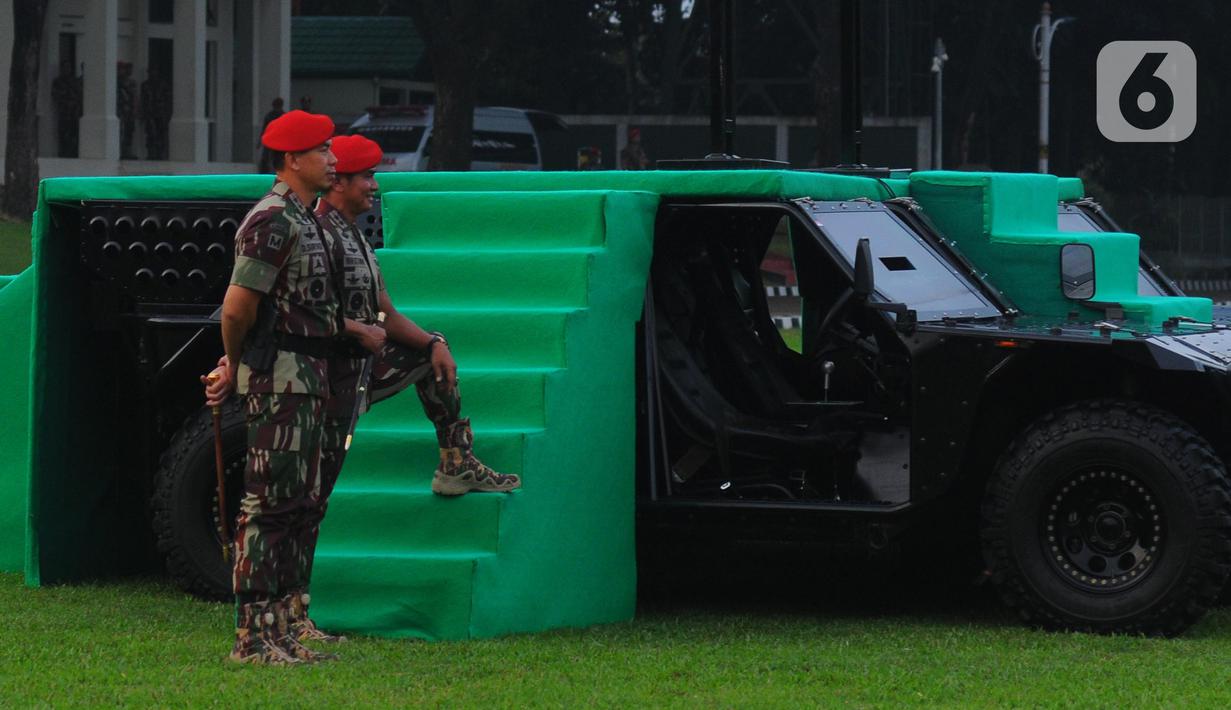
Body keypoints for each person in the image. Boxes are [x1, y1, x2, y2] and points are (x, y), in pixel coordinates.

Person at [283, 134, 522, 644]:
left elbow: (385, 312)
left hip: (356, 373)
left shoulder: (354, 236)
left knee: (431, 357)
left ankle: (456, 462)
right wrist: (356, 331)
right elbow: (298, 313)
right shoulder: (316, 235)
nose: (375, 186)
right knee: (307, 501)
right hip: (322, 382)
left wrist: (435, 342)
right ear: (338, 182)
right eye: (366, 177)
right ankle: (291, 613)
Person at [203, 109, 340, 665]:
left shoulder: (304, 218)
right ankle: (253, 637)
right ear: (292, 159)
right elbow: (238, 309)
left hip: (306, 378)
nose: (332, 159)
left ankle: (280, 628)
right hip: (280, 379)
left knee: (296, 505)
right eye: (322, 150)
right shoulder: (273, 219)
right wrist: (237, 367)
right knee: (268, 508)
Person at [257, 98, 285, 172]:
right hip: (270, 140)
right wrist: (260, 141)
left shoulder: (283, 116)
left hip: (280, 141)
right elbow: (264, 129)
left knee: (279, 158)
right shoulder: (269, 115)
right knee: (266, 158)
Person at [117, 62, 137, 159]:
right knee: (120, 131)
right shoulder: (116, 82)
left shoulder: (130, 82)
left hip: (129, 111)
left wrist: (135, 109)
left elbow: (134, 96)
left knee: (129, 131)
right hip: (120, 110)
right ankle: (120, 151)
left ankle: (127, 152)